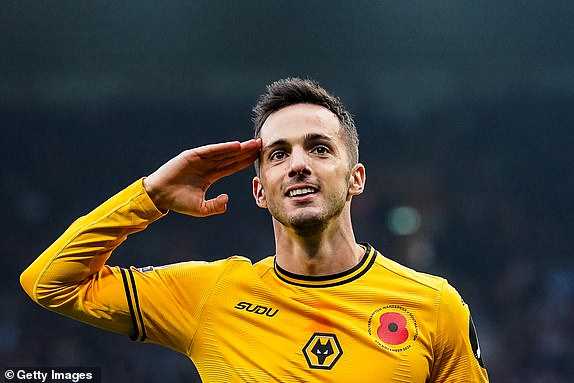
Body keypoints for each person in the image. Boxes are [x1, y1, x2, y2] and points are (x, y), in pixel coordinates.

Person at [21, 78, 489, 382]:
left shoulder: (432, 306)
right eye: (279, 154)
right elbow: (49, 284)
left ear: (356, 179)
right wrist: (150, 196)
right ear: (260, 190)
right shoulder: (211, 294)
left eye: (320, 149)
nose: (299, 164)